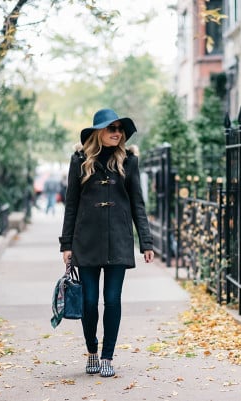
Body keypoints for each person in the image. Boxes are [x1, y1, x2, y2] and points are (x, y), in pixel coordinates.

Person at [59, 108, 155, 377]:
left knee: (112, 299)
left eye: (119, 129)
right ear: (98, 132)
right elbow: (71, 204)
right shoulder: (79, 160)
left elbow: (137, 203)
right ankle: (91, 350)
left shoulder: (129, 161)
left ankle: (107, 357)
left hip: (119, 240)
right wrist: (66, 245)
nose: (116, 133)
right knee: (89, 301)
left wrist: (146, 242)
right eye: (111, 128)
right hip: (86, 241)